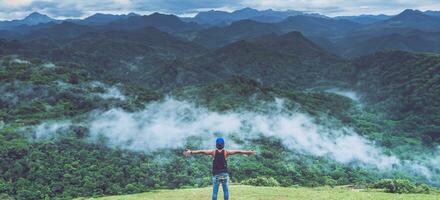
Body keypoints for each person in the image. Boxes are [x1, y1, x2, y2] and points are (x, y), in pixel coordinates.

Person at [184, 137, 256, 200]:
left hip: (216, 175)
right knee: (226, 191)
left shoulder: (213, 152)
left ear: (216, 144)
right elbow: (238, 151)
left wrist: (191, 152)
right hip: (225, 174)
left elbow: (201, 151)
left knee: (215, 192)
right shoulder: (226, 152)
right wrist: (248, 152)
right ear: (223, 144)